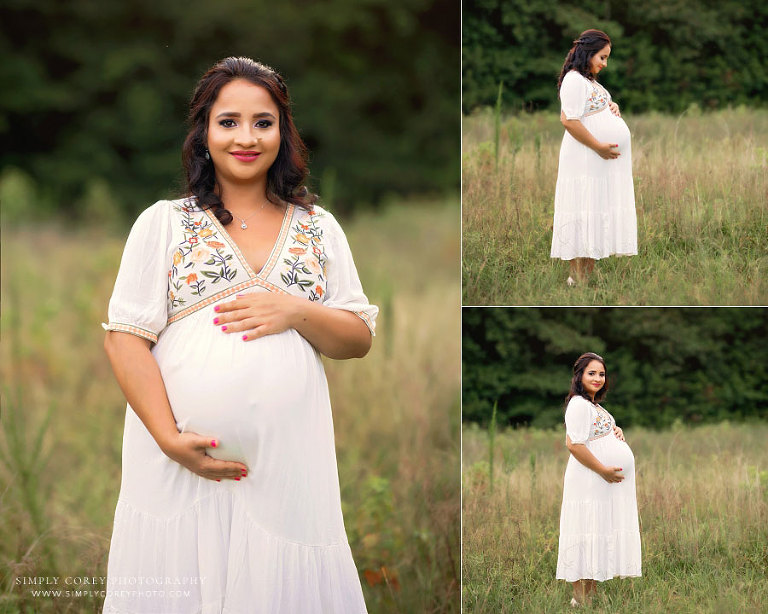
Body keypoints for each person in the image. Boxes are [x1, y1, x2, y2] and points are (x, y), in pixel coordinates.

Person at [101, 57, 377, 614]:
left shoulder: (320, 228)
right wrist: (168, 439)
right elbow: (125, 337)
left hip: (287, 470)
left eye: (263, 122)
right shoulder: (164, 222)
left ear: (283, 132)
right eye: (228, 122)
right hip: (178, 469)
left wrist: (296, 310)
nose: (246, 137)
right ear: (203, 132)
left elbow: (356, 337)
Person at [550, 29, 638, 285]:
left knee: (593, 210)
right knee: (582, 210)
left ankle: (584, 277)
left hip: (597, 162)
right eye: (602, 57)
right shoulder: (574, 80)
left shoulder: (589, 81)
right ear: (588, 53)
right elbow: (569, 120)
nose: (605, 63)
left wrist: (613, 106)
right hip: (584, 158)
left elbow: (592, 109)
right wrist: (599, 146)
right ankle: (575, 279)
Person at [556, 352, 641, 607]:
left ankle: (588, 599)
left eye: (601, 374)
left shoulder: (595, 406)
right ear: (579, 376)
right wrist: (604, 470)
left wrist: (615, 430)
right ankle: (579, 600)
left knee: (595, 531)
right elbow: (573, 444)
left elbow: (595, 434)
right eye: (591, 373)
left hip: (599, 484)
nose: (597, 378)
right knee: (583, 531)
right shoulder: (579, 404)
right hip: (588, 480)